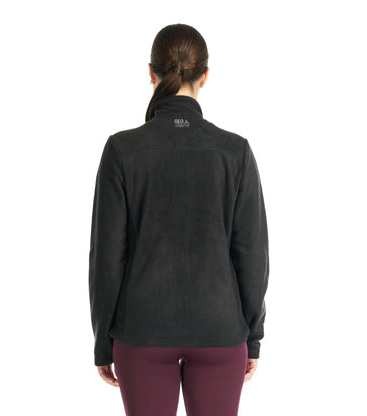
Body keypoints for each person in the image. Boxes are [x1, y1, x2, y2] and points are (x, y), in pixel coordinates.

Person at [88, 23, 270, 416]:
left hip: (142, 331)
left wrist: (103, 341)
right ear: (205, 76)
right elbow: (252, 254)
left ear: (150, 73)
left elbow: (106, 258)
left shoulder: (122, 150)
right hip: (220, 331)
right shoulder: (235, 151)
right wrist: (252, 336)